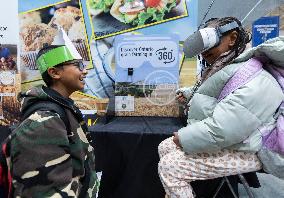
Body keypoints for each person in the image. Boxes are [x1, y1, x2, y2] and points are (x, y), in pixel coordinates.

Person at [158, 17, 284, 198]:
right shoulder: (230, 66)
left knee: (170, 166)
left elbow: (224, 129)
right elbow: (216, 93)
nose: (204, 52)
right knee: (165, 147)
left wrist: (185, 137)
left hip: (254, 149)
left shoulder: (256, 78)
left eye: (209, 43)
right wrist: (188, 93)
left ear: (232, 38)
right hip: (239, 140)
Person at [5, 45, 98, 197]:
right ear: (54, 73)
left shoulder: (63, 107)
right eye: (78, 65)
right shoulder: (44, 122)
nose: (85, 70)